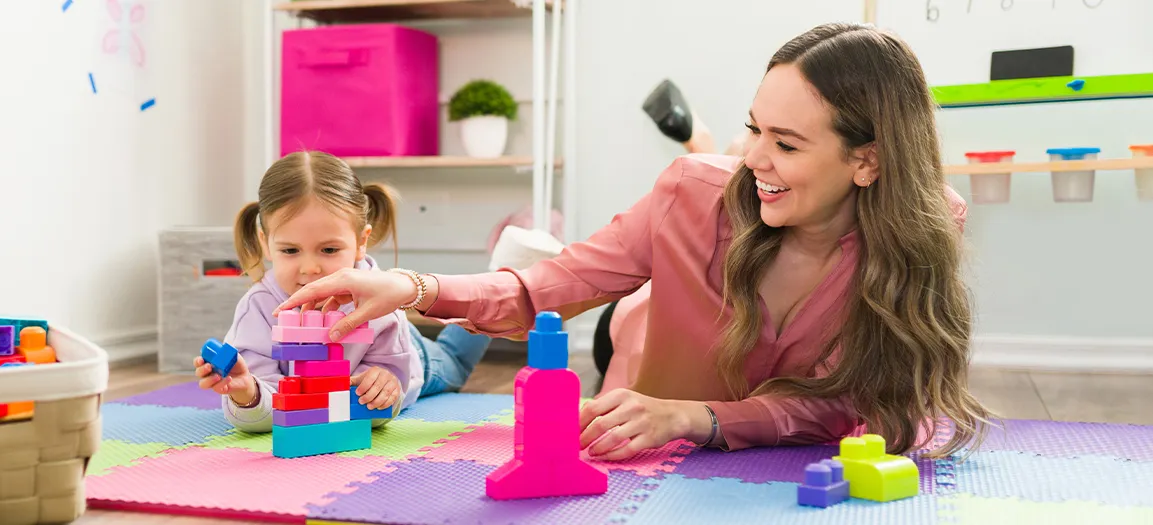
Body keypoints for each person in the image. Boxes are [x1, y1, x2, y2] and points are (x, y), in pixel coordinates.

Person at [274, 22, 990, 460]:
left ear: (868, 160)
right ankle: (646, 287)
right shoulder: (693, 192)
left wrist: (703, 419)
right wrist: (416, 288)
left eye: (787, 142)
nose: (757, 155)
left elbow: (860, 401)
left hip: (705, 395)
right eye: (754, 129)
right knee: (630, 290)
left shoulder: (924, 225)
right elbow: (549, 286)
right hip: (646, 343)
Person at [194, 151, 493, 431]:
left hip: (414, 357)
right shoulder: (258, 307)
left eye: (328, 249)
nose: (310, 267)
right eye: (290, 250)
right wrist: (248, 393)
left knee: (455, 359)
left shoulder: (377, 300)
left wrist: (382, 385)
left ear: (361, 242)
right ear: (265, 242)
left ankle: (494, 285)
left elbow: (385, 396)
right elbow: (265, 401)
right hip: (340, 376)